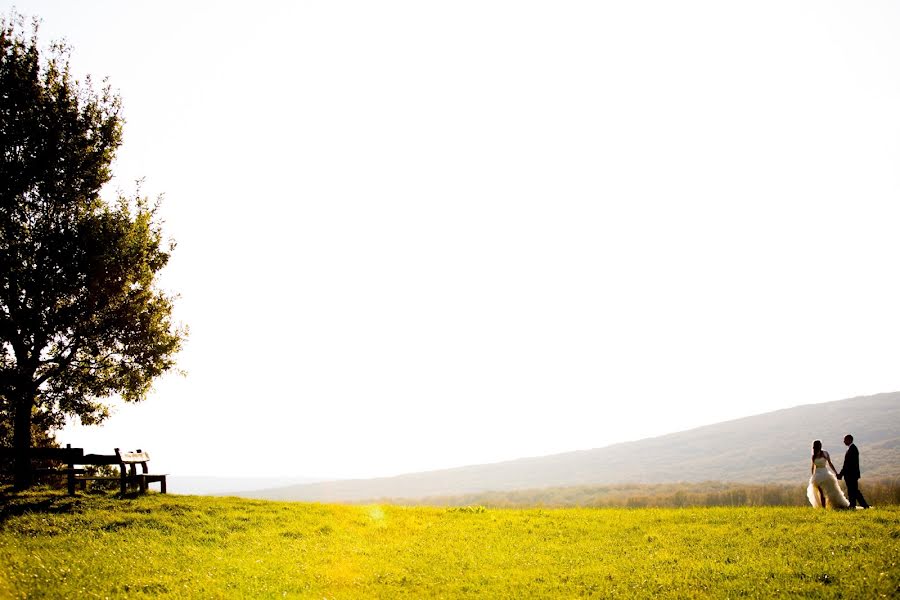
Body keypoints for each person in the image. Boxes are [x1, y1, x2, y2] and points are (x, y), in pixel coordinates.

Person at [806, 440, 849, 509]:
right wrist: (813, 475)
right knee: (821, 492)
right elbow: (813, 467)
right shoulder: (814, 456)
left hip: (825, 474)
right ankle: (823, 507)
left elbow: (830, 463)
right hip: (817, 475)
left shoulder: (825, 453)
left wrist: (835, 472)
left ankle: (838, 504)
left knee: (831, 491)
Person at [837, 434, 870, 509]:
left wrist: (841, 474)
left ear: (850, 440)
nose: (844, 441)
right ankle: (853, 504)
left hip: (851, 474)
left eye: (845, 439)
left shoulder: (853, 449)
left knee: (854, 490)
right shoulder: (851, 448)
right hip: (850, 474)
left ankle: (863, 505)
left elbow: (847, 464)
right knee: (852, 490)